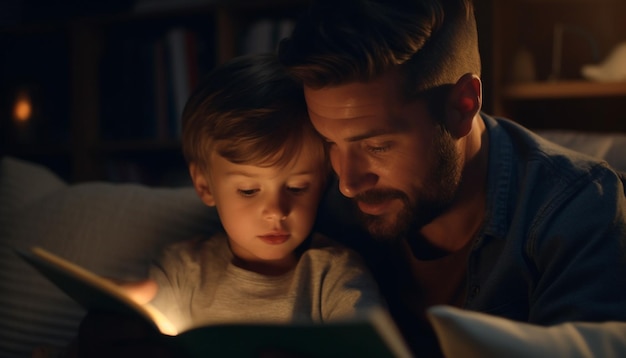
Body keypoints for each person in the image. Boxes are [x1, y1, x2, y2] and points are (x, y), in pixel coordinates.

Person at [277, 0, 626, 356]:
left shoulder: (576, 209)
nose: (347, 182)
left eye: (378, 146)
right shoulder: (317, 203)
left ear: (464, 105)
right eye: (328, 142)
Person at [69, 53, 383, 357]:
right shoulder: (183, 271)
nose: (275, 210)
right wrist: (111, 304)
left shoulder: (333, 276)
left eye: (298, 187)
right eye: (248, 190)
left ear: (324, 182)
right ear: (205, 186)